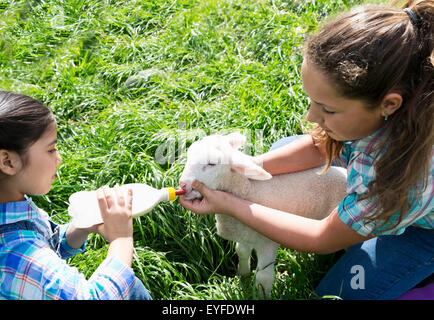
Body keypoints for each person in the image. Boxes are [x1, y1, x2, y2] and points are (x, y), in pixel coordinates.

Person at [180, 0, 433, 299]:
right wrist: (246, 166)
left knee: (340, 293)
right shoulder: (383, 111)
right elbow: (318, 145)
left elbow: (321, 237)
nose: (310, 117)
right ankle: (357, 227)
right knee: (284, 150)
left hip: (423, 233)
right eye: (312, 101)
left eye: (326, 108)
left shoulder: (400, 174)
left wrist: (229, 204)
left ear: (388, 105)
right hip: (373, 178)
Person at [0, 90, 151, 300]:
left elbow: (44, 243)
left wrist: (80, 227)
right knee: (130, 288)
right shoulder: (14, 254)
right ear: (8, 162)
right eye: (51, 149)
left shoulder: (3, 205)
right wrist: (121, 239)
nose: (59, 158)